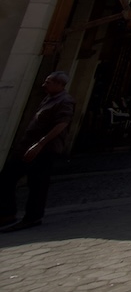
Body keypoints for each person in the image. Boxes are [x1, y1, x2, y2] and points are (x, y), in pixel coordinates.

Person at [0, 71, 76, 232]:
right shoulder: (49, 98)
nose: (44, 84)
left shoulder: (65, 101)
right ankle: (7, 214)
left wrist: (40, 144)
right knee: (8, 177)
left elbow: (62, 124)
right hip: (29, 146)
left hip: (44, 149)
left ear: (59, 84)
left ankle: (32, 217)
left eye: (48, 82)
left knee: (37, 184)